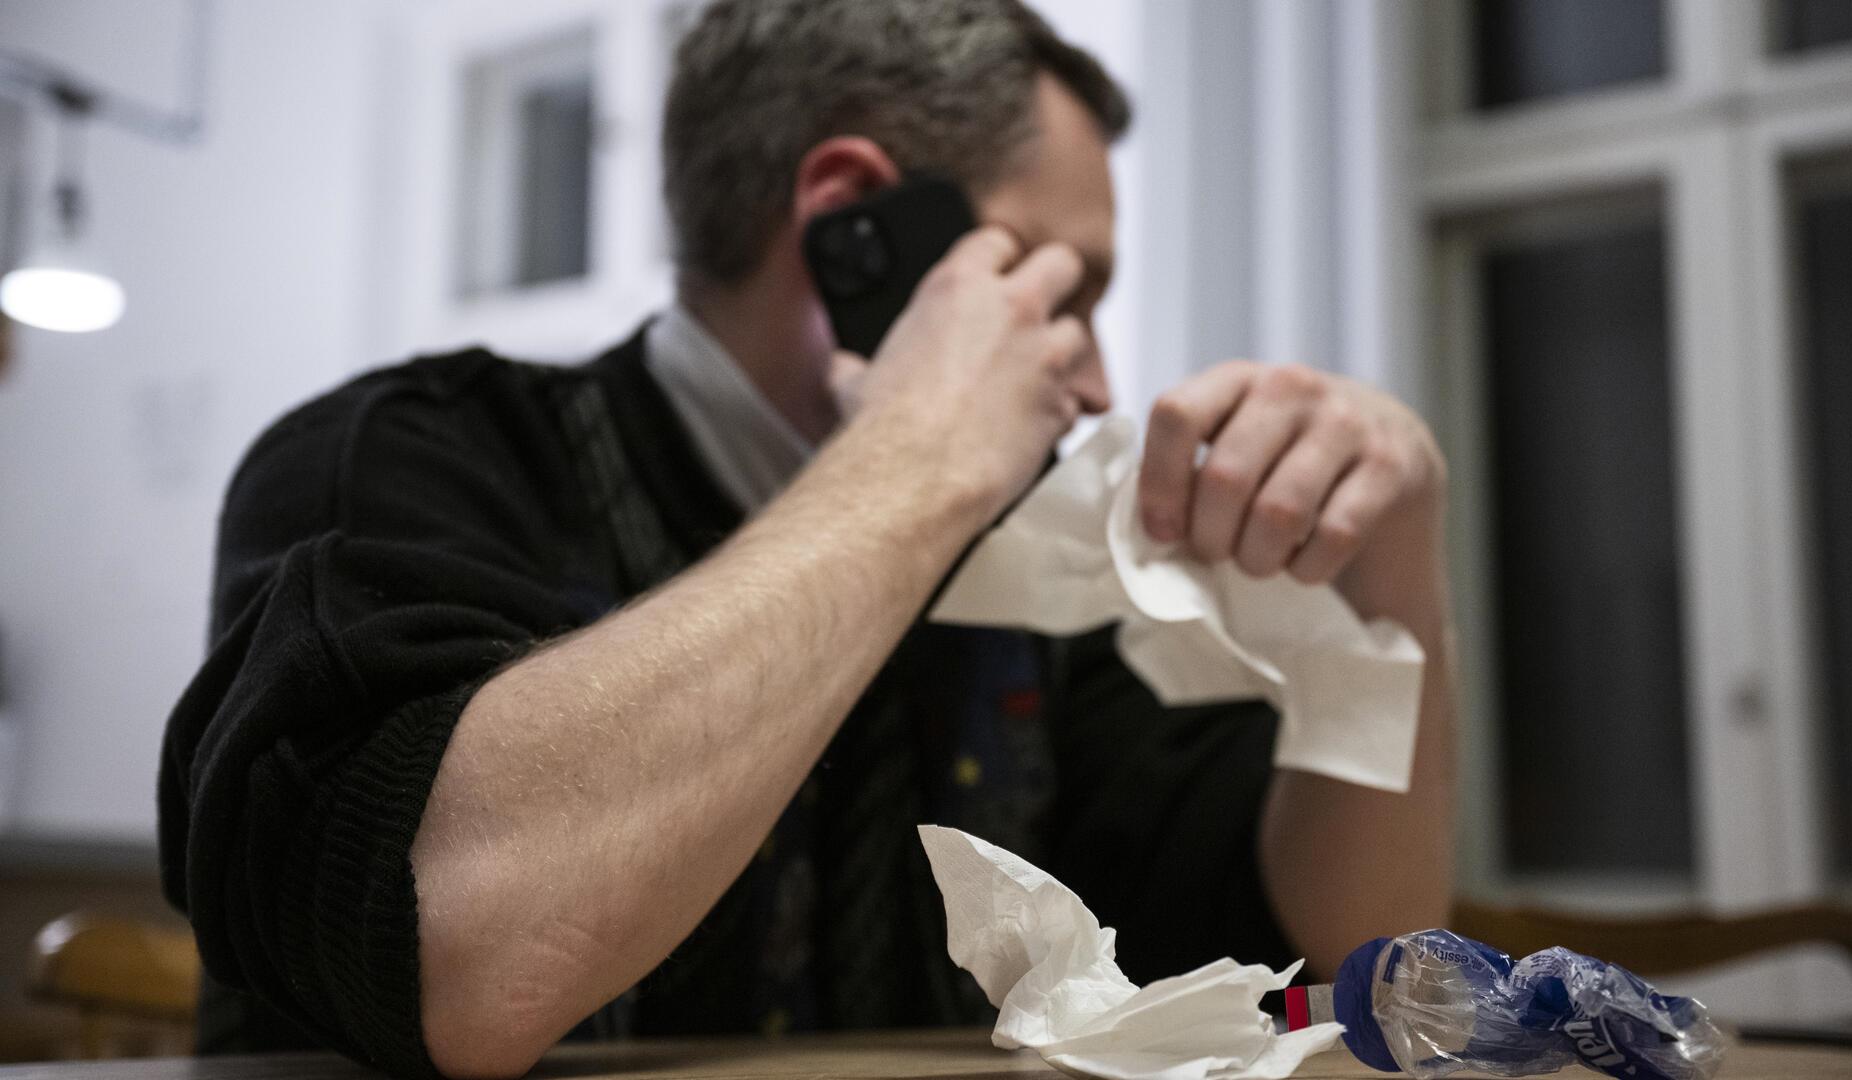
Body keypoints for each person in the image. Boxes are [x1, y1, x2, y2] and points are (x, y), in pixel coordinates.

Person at [159, 2, 1457, 1078]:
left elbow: (1354, 953)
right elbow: (466, 958)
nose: (1101, 384)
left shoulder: (1020, 552)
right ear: (854, 227)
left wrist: (1387, 575)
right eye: (1065, 290)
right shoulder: (393, 463)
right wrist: (917, 459)